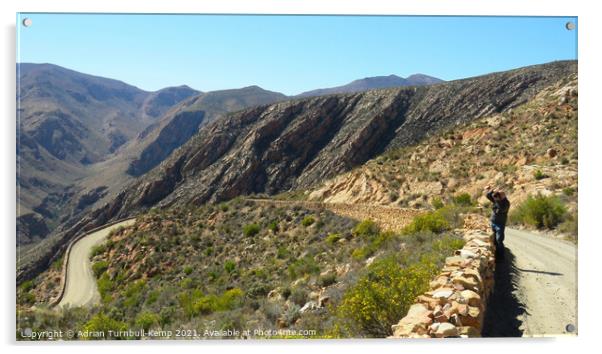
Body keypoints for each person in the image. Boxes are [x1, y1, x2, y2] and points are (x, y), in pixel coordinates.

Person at [484, 185, 510, 260]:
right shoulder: (496, 199)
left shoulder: (506, 203)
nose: (497, 196)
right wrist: (492, 190)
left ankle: (501, 257)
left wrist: (497, 200)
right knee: (494, 240)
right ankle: (495, 255)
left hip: (500, 224)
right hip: (493, 222)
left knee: (499, 240)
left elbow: (502, 209)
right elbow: (488, 196)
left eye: (499, 195)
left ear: (503, 196)